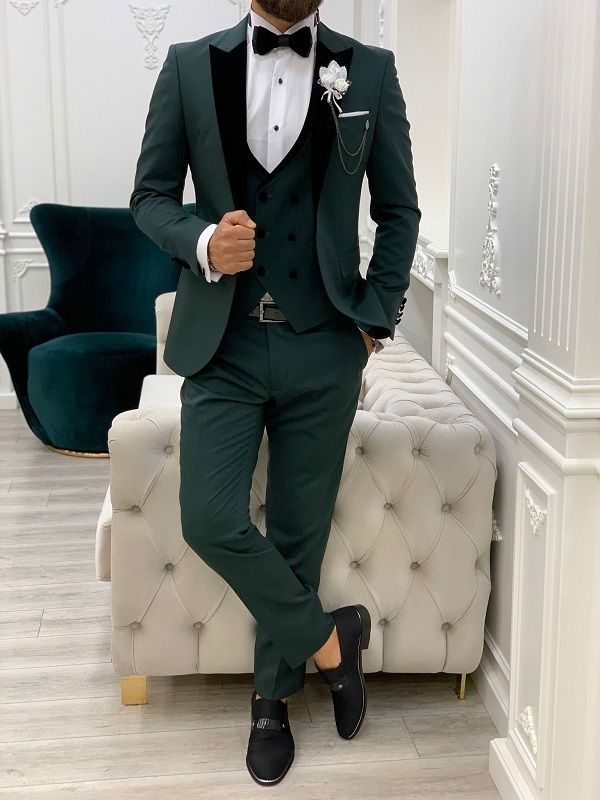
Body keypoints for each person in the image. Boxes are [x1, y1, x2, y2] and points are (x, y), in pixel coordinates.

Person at [130, 0, 420, 785]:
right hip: (222, 345)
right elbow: (149, 197)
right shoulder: (189, 66)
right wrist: (201, 241)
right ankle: (330, 642)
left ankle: (270, 702)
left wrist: (372, 323)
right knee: (209, 517)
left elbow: (399, 210)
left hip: (324, 344)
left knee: (299, 532)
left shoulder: (369, 72)